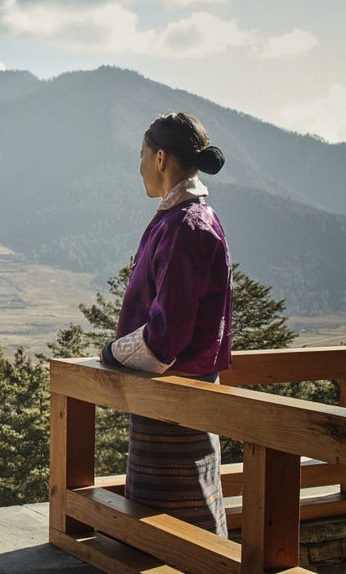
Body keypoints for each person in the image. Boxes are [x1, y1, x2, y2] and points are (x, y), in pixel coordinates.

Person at [100, 111, 232, 537]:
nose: (138, 166)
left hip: (175, 398)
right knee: (180, 513)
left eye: (141, 155)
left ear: (160, 158)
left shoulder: (185, 226)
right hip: (185, 394)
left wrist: (111, 353)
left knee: (176, 523)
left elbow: (164, 340)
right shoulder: (191, 219)